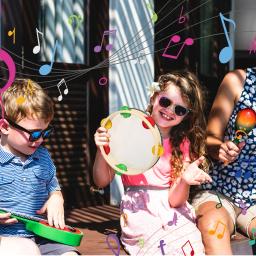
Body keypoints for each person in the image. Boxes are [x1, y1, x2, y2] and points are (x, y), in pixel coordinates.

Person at [93, 70, 212, 255]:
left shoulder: (182, 144)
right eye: (165, 102)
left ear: (186, 116)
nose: (170, 111)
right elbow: (101, 181)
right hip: (139, 210)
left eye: (179, 110)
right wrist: (102, 151)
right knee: (159, 247)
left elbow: (175, 201)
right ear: (154, 97)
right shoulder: (128, 131)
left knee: (190, 245)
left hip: (173, 210)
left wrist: (184, 181)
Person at [0, 79, 79, 255]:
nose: (40, 139)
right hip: (4, 238)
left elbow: (53, 185)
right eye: (34, 134)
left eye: (45, 132)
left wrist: (56, 197)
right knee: (27, 250)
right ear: (5, 126)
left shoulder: (42, 156)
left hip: (41, 236)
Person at [192, 68, 256, 254]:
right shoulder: (237, 81)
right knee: (214, 226)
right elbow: (211, 138)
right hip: (218, 191)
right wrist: (220, 148)